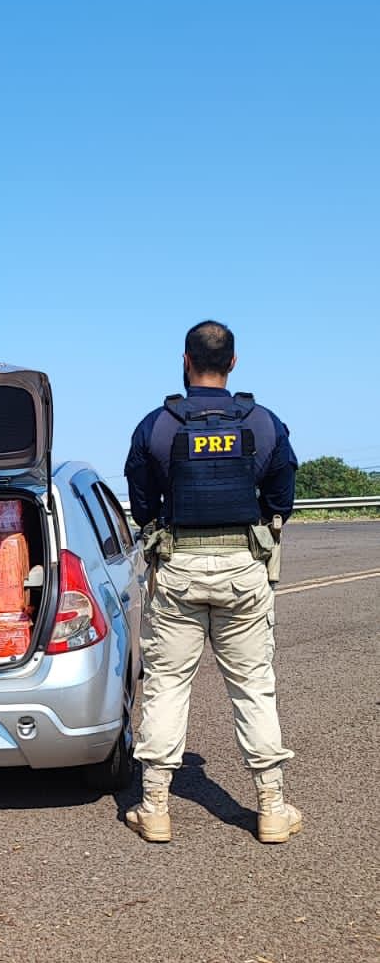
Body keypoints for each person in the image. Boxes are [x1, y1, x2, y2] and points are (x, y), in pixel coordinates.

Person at [123, 321, 301, 845]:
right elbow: (281, 497)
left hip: (177, 567)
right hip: (242, 569)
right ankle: (271, 807)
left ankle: (154, 807)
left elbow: (141, 503)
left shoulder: (157, 425)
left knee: (166, 686)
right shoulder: (264, 423)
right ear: (234, 362)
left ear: (185, 359)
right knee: (252, 688)